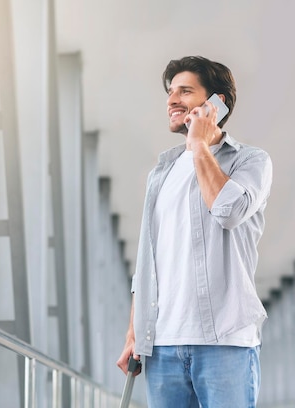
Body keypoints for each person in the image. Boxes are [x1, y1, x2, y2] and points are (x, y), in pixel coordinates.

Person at [116, 55, 272, 407]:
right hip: (162, 345)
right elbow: (148, 262)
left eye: (185, 91)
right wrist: (133, 332)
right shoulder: (161, 172)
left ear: (216, 103)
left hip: (226, 342)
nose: (172, 100)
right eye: (171, 92)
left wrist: (200, 145)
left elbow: (229, 210)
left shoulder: (251, 162)